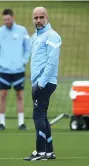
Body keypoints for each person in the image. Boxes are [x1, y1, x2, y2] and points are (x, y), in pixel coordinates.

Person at [23, 7, 62, 161]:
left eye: (41, 17)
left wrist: (40, 84)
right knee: (43, 116)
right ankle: (49, 151)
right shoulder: (35, 37)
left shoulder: (52, 36)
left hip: (44, 83)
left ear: (47, 17)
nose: (38, 21)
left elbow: (52, 62)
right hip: (38, 82)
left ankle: (41, 152)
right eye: (36, 18)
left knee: (38, 115)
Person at [0, 9, 30, 131]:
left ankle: (21, 123)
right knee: (3, 95)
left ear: (13, 18)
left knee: (20, 95)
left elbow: (28, 48)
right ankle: (2, 123)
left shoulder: (22, 30)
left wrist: (23, 61)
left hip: (18, 69)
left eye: (8, 19)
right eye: (4, 20)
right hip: (4, 70)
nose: (6, 21)